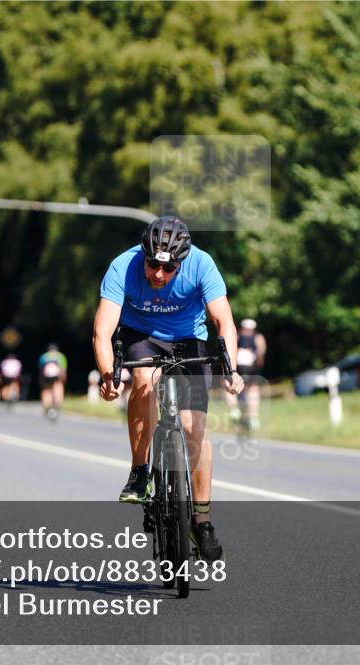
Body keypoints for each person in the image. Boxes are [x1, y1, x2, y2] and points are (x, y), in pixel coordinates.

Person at [92, 215, 244, 563]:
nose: (157, 275)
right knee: (143, 382)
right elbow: (102, 330)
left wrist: (231, 368)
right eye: (152, 266)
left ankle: (202, 522)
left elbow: (224, 322)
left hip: (189, 340)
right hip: (141, 337)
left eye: (168, 269)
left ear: (182, 262)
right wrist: (106, 375)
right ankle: (140, 472)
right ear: (143, 256)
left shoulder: (202, 264)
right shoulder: (122, 266)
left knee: (194, 431)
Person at [223, 318, 267, 431]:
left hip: (239, 368)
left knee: (229, 385)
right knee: (252, 390)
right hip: (252, 368)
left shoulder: (237, 336)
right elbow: (261, 353)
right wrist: (259, 366)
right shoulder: (258, 338)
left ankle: (233, 409)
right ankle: (253, 417)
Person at [38, 344, 67, 419]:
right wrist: (63, 379)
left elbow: (41, 369)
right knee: (58, 387)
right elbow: (63, 369)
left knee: (46, 390)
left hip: (46, 376)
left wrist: (41, 379)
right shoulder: (60, 356)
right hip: (56, 376)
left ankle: (47, 406)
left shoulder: (44, 356)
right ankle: (57, 404)